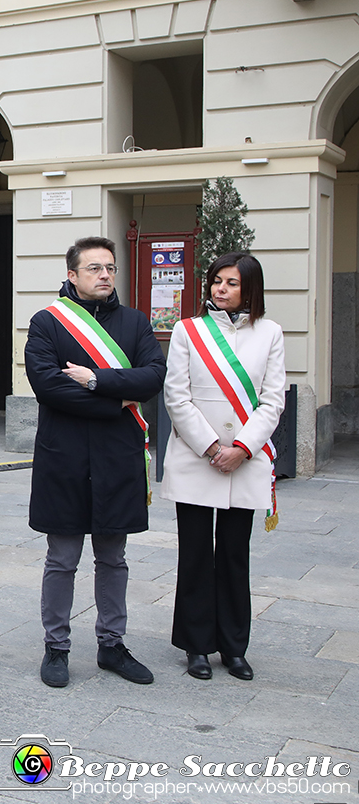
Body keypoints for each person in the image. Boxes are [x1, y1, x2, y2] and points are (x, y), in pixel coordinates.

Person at [25, 236, 165, 688]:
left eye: (109, 268)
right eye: (94, 269)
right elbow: (48, 386)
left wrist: (95, 379)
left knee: (113, 557)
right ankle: (57, 647)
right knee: (62, 558)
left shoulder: (135, 322)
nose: (105, 275)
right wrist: (114, 397)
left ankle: (112, 645)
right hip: (63, 456)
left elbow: (152, 377)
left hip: (116, 456)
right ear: (72, 275)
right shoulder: (47, 323)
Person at [161, 252, 284, 681]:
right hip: (198, 458)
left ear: (250, 287)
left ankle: (234, 647)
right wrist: (213, 447)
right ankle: (196, 645)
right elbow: (177, 396)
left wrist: (243, 448)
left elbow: (273, 401)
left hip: (245, 461)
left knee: (234, 555)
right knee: (195, 554)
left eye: (231, 283)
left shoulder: (269, 333)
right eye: (216, 281)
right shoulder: (188, 330)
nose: (220, 289)